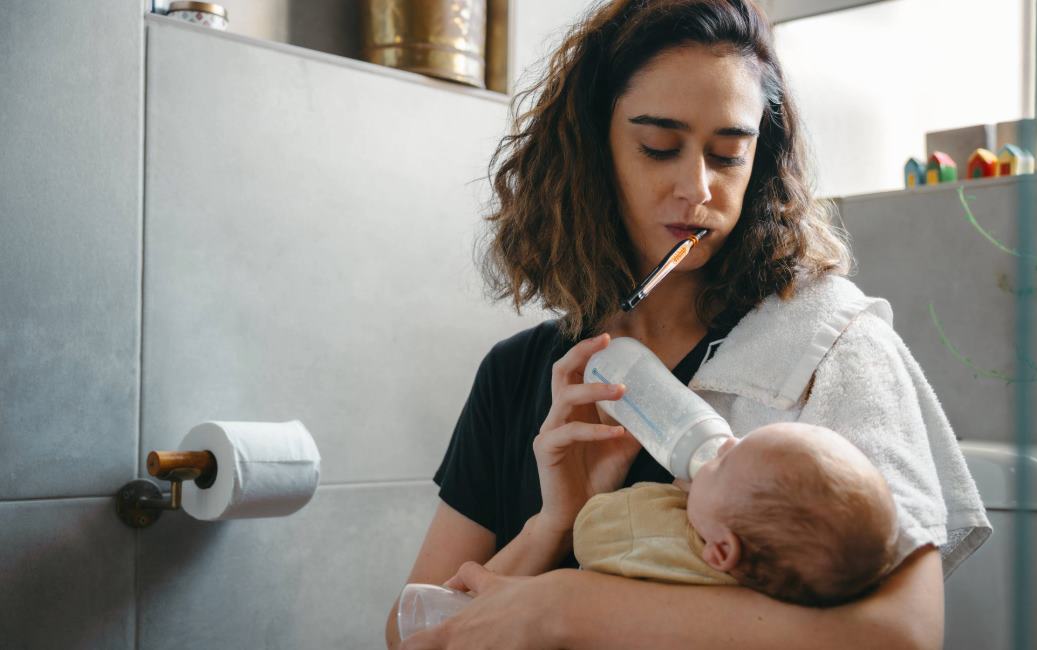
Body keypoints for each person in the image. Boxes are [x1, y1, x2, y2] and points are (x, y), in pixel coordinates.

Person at [388, 1, 991, 647]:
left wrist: (573, 608)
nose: (697, 186)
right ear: (593, 151)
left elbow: (902, 635)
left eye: (728, 155)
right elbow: (409, 635)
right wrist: (552, 524)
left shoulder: (829, 346)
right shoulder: (515, 373)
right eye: (659, 147)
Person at [572, 421, 900, 608]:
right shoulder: (765, 599)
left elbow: (590, 529)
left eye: (722, 465)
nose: (726, 443)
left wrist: (673, 494)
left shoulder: (661, 536)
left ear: (722, 550)